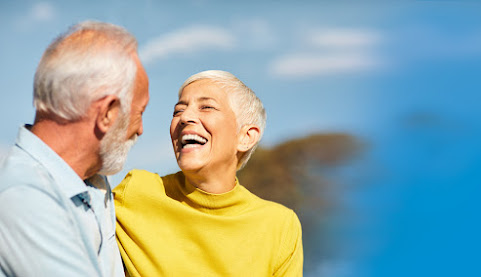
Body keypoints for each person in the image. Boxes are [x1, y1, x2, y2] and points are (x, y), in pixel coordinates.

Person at [114, 70, 303, 276]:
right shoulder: (135, 191)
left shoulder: (280, 225)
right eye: (178, 111)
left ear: (246, 137)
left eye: (206, 107)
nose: (185, 117)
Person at [0, 21, 149, 277]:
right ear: (107, 113)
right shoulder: (24, 197)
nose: (141, 129)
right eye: (140, 113)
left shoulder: (91, 180)